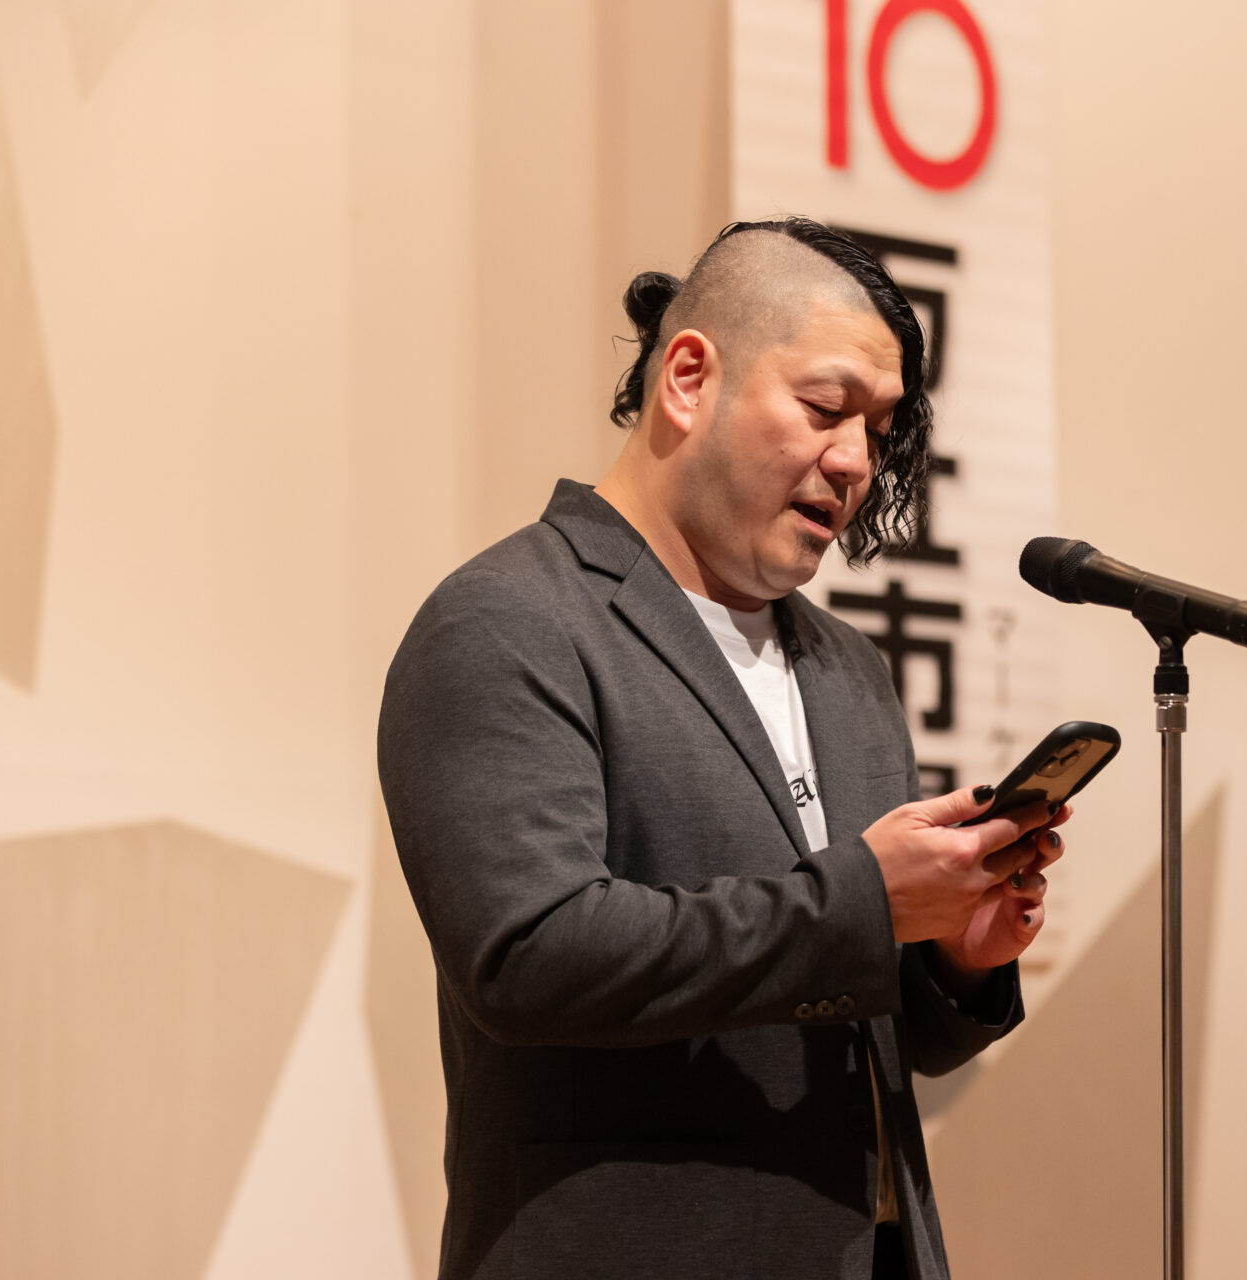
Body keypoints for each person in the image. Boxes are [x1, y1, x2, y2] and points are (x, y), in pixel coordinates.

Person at [377, 217, 1067, 1279]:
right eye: (826, 408)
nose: (856, 460)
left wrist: (954, 957)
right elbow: (528, 955)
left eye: (878, 428)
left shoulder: (849, 665)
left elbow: (873, 1021)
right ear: (689, 378)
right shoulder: (508, 619)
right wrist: (865, 902)